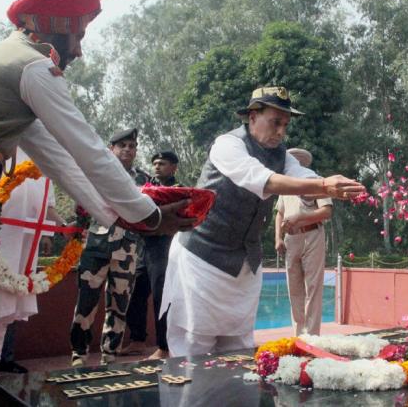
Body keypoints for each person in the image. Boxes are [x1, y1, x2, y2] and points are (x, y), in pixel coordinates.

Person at [0, 0, 193, 402]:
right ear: (54, 27)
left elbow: (60, 160)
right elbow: (89, 150)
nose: (80, 50)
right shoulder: (32, 66)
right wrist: (149, 216)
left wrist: (118, 217)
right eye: (78, 35)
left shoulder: (7, 64)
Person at [161, 86, 365, 357]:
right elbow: (263, 180)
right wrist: (325, 185)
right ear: (252, 117)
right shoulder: (227, 145)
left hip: (245, 262)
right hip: (202, 257)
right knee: (194, 346)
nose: (280, 132)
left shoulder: (282, 155)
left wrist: (335, 187)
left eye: (285, 125)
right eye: (275, 122)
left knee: (238, 348)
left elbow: (303, 177)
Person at [0, 148, 63, 402]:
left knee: (0, 322)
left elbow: (48, 206)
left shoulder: (42, 156)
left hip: (22, 251)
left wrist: (67, 228)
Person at [69, 128, 152, 367]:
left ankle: (110, 354)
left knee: (119, 305)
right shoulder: (97, 174)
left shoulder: (143, 179)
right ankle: (79, 354)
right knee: (86, 302)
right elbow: (81, 209)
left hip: (128, 248)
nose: (127, 149)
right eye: (122, 145)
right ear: (111, 149)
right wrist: (77, 237)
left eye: (132, 146)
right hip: (97, 245)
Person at [124, 150, 180, 360]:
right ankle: (137, 339)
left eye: (162, 163)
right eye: (155, 163)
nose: (157, 166)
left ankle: (164, 347)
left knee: (160, 297)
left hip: (164, 248)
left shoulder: (179, 190)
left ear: (173, 167)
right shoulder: (144, 188)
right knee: (134, 294)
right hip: (143, 247)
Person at [274, 148, 333, 336]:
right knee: (294, 289)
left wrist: (301, 217)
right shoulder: (285, 185)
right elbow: (280, 213)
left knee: (313, 288)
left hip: (312, 234)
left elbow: (326, 212)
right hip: (291, 239)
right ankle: (299, 335)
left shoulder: (315, 181)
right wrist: (278, 238)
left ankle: (312, 335)